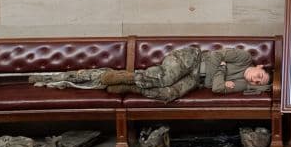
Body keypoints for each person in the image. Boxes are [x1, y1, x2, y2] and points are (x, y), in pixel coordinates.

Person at [31, 46, 271, 101]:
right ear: (259, 67)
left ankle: (126, 84)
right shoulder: (245, 58)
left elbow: (216, 88)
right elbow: (217, 55)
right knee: (164, 77)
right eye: (260, 75)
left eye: (259, 83)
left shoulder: (241, 83)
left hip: (193, 80)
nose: (256, 79)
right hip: (191, 59)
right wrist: (220, 71)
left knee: (167, 93)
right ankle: (119, 77)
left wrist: (220, 73)